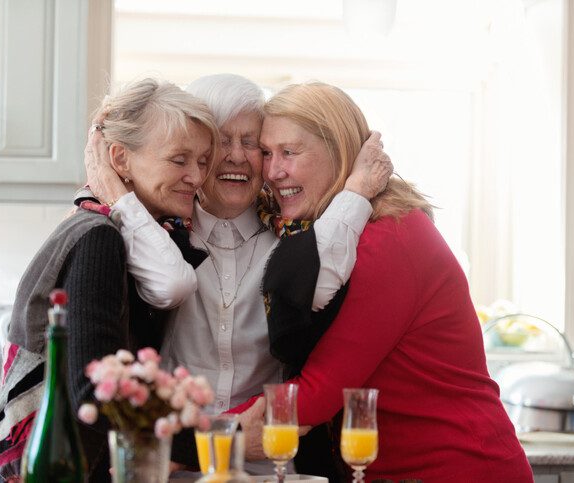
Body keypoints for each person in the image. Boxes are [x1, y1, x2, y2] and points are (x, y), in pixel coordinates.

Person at [84, 73, 392, 475]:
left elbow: (316, 291)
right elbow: (164, 286)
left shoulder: (295, 237)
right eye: (220, 142)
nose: (236, 156)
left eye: (251, 144)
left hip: (274, 470)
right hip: (174, 468)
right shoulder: (152, 236)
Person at [234, 82, 534, 482]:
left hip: (459, 467)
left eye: (290, 152)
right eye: (268, 154)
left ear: (340, 150)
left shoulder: (390, 237)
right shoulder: (324, 233)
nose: (273, 172)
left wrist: (185, 435)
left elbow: (319, 394)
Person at [0, 78, 220, 482]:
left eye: (203, 161)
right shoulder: (100, 239)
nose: (195, 176)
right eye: (179, 160)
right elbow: (94, 393)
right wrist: (213, 443)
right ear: (120, 159)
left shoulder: (115, 229)